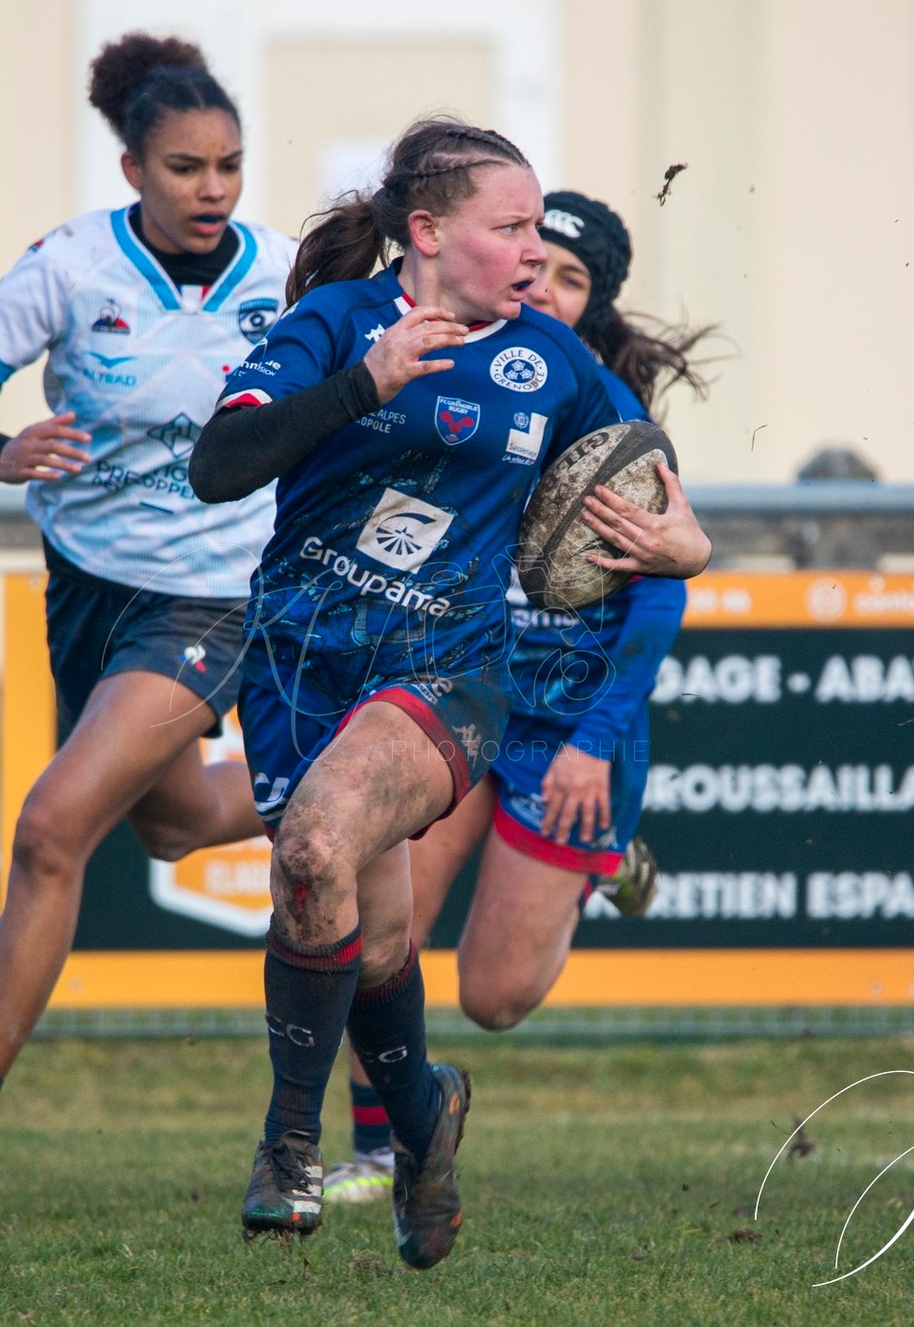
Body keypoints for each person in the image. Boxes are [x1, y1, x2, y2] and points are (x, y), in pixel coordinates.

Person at [189, 122, 712, 1268]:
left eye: (537, 229)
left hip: (447, 669)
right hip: (298, 661)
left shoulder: (554, 362)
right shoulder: (332, 325)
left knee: (317, 843)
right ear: (426, 233)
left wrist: (685, 547)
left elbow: (654, 499)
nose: (533, 251)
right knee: (363, 934)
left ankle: (287, 1147)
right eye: (512, 226)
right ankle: (425, 1122)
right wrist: (355, 386)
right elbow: (216, 467)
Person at [0, 33, 296, 1212]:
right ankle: (359, 782)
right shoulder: (66, 269)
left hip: (214, 592)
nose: (210, 188)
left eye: (227, 164)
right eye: (183, 167)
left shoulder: (284, 272)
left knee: (53, 823)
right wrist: (0, 449)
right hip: (89, 592)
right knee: (167, 827)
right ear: (131, 170)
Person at [325, 190, 721, 1205]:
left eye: (572, 277)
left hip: (569, 733)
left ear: (595, 312)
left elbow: (655, 606)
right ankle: (380, 1148)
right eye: (532, 256)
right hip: (463, 692)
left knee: (493, 997)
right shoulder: (462, 383)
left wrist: (595, 741)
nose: (542, 278)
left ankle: (604, 858)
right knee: (384, 926)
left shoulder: (616, 437)